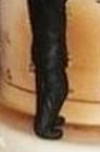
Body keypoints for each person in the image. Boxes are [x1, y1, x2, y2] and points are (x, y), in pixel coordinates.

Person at [27, 0, 68, 140]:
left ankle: (48, 117)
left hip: (42, 48)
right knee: (58, 88)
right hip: (51, 50)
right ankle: (43, 125)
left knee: (44, 87)